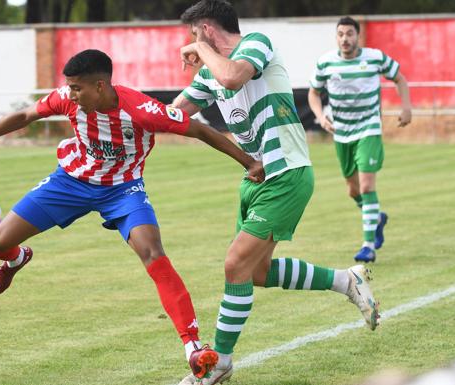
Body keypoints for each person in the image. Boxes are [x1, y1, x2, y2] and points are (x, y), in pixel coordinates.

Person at [0, 49, 266, 380]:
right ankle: (15, 259)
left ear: (100, 86)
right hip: (70, 181)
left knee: (153, 253)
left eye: (76, 88)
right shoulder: (68, 100)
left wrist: (249, 162)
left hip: (123, 190)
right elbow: (26, 116)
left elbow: (199, 130)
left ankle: (194, 347)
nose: (70, 95)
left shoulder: (142, 110)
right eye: (68, 87)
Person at [171, 1, 380, 384]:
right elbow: (174, 111)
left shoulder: (257, 43)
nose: (190, 45)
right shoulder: (210, 73)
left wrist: (200, 50)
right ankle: (346, 281)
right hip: (255, 179)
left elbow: (234, 77)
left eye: (193, 36)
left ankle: (218, 363)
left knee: (235, 264)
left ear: (205, 29)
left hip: (287, 172)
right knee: (256, 273)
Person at [308, 16, 412, 262]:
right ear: (337, 37)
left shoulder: (374, 57)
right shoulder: (326, 63)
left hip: (369, 129)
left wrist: (406, 107)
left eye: (350, 34)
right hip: (342, 133)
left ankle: (368, 246)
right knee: (353, 190)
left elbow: (399, 78)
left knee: (366, 186)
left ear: (358, 36)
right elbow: (313, 92)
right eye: (341, 34)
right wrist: (320, 117)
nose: (345, 39)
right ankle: (376, 217)